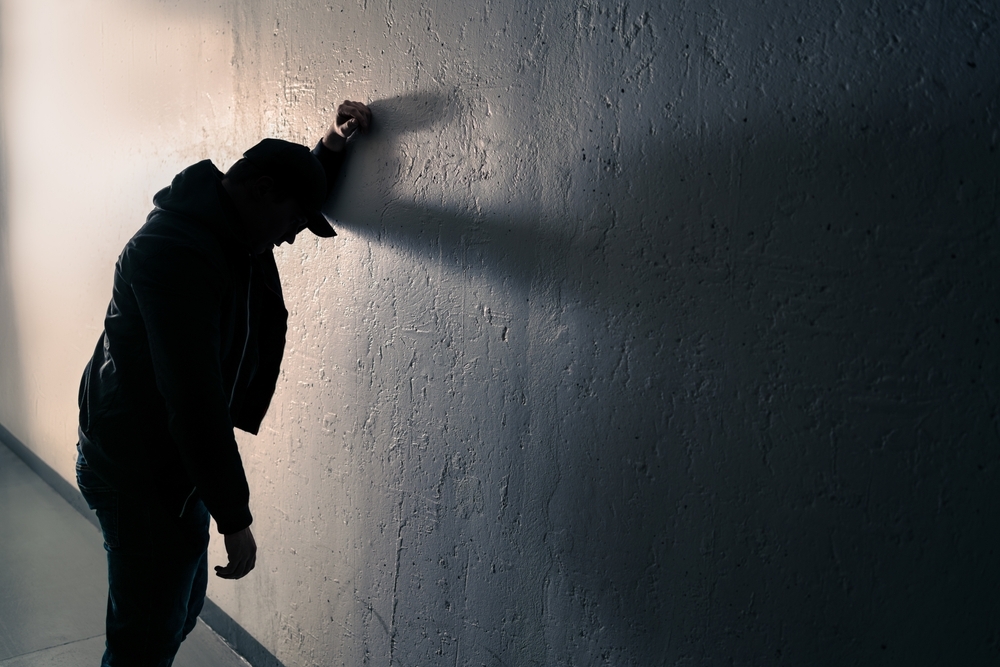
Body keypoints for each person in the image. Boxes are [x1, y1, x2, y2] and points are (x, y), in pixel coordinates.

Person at [74, 100, 373, 665]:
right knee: (147, 635)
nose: (289, 240)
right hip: (139, 467)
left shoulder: (228, 221)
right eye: (291, 223)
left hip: (173, 462)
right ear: (260, 191)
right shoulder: (176, 254)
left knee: (177, 611)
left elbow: (291, 188)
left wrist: (332, 145)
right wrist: (235, 517)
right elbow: (194, 401)